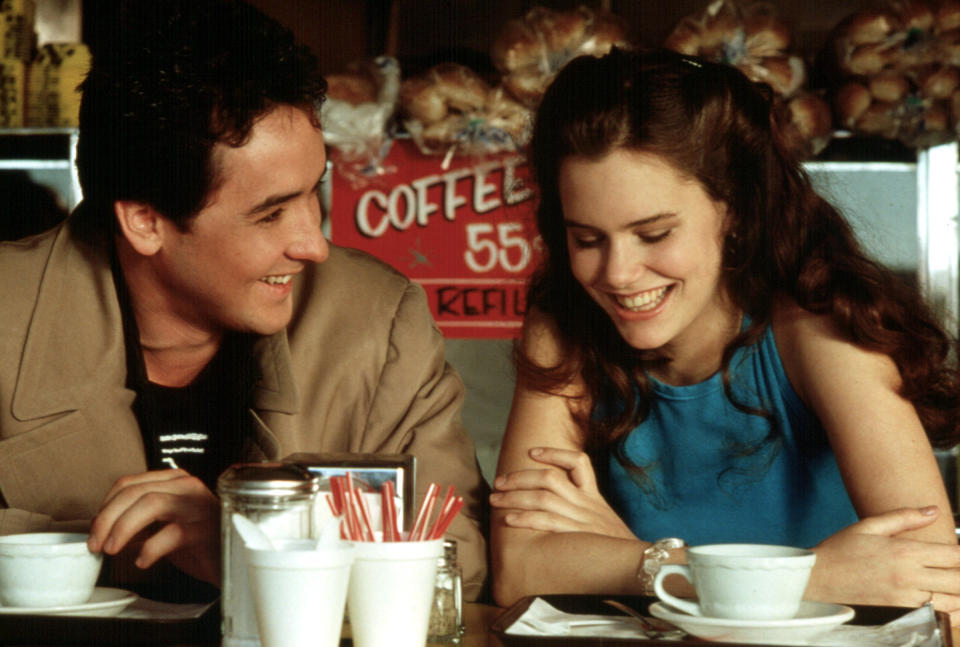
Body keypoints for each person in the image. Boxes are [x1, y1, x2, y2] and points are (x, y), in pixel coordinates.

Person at [0, 0, 487, 602]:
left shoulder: (379, 323)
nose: (314, 246)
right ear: (146, 222)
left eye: (316, 192)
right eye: (271, 213)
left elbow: (455, 569)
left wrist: (247, 545)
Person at [490, 47, 960, 621]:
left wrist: (630, 557)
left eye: (654, 233)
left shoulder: (818, 333)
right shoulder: (564, 321)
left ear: (733, 210)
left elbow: (939, 591)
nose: (616, 273)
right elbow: (519, 570)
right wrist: (808, 575)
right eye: (588, 239)